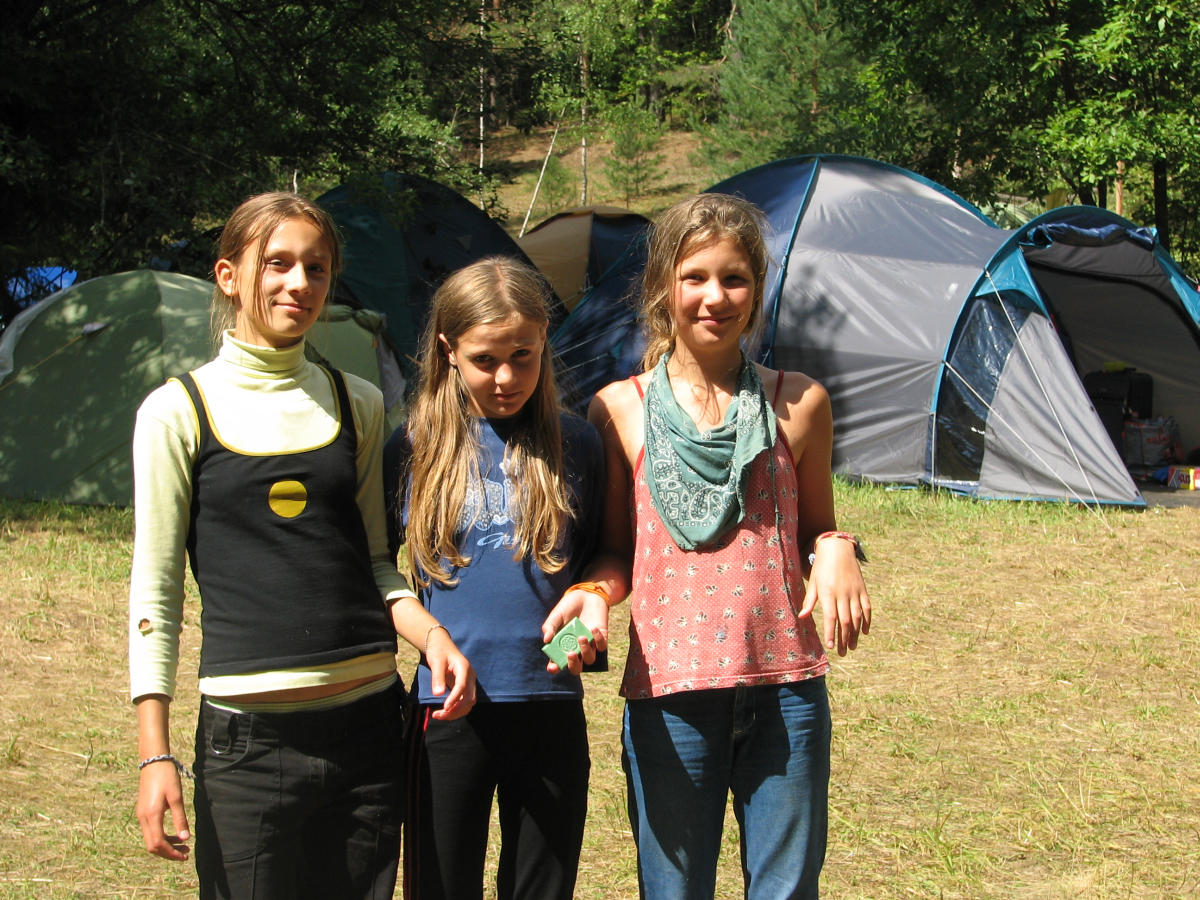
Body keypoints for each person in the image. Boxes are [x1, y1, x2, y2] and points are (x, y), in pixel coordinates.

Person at [128, 191, 475, 899]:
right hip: (248, 742)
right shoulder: (177, 412)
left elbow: (374, 562)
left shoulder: (359, 403)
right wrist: (154, 754)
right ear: (229, 275)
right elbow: (156, 592)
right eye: (277, 263)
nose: (299, 283)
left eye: (316, 268)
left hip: (368, 726)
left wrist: (434, 637)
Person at [575, 194, 871, 899]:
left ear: (757, 289)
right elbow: (615, 552)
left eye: (734, 278)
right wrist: (591, 596)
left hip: (786, 691)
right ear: (663, 287)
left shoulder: (799, 402)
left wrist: (837, 545)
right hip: (670, 693)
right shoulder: (617, 409)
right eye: (695, 277)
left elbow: (815, 530)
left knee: (786, 890)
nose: (715, 297)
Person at [384, 256, 607, 900]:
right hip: (446, 709)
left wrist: (583, 616)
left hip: (549, 706)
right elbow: (377, 574)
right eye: (485, 360)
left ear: (544, 344)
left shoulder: (577, 443)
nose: (506, 378)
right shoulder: (411, 447)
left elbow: (599, 564)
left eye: (522, 356)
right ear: (448, 351)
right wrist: (430, 642)